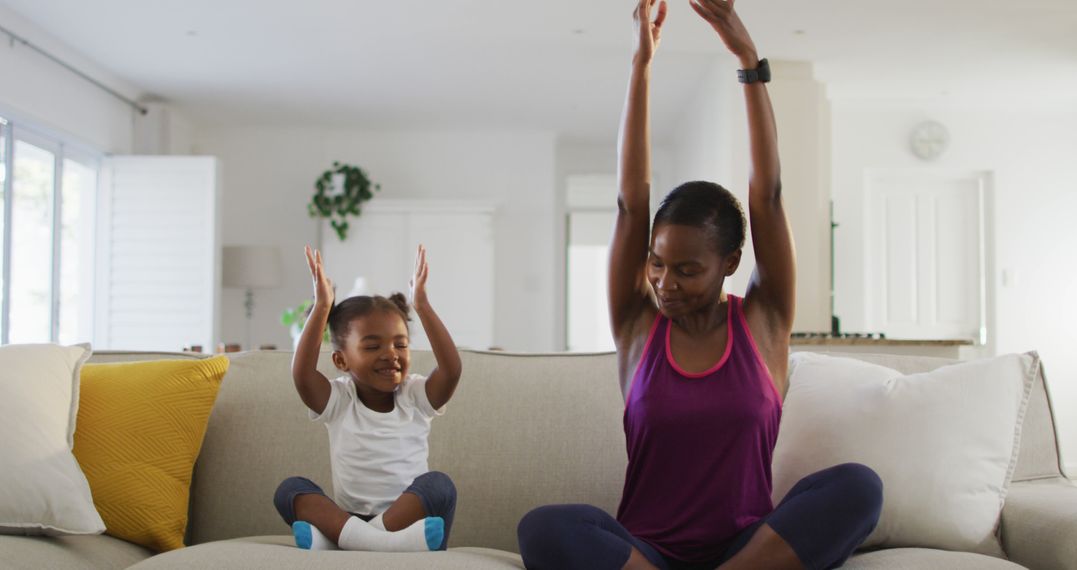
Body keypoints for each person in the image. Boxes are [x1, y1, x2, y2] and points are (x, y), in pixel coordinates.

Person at [517, 1, 883, 568]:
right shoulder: (637, 326)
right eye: (658, 263)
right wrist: (640, 66)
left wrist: (747, 60)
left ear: (731, 263)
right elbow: (629, 201)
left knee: (859, 486)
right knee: (544, 528)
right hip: (646, 553)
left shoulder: (764, 321)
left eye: (688, 270)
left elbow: (769, 195)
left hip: (747, 548)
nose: (665, 282)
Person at [273, 245, 461, 552]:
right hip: (349, 517)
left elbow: (451, 371)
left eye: (400, 345)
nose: (391, 354)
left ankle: (347, 543)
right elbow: (302, 375)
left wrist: (423, 306)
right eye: (373, 347)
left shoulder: (414, 395)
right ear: (340, 361)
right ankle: (380, 543)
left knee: (439, 486)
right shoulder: (339, 400)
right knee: (289, 491)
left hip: (411, 520)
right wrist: (322, 306)